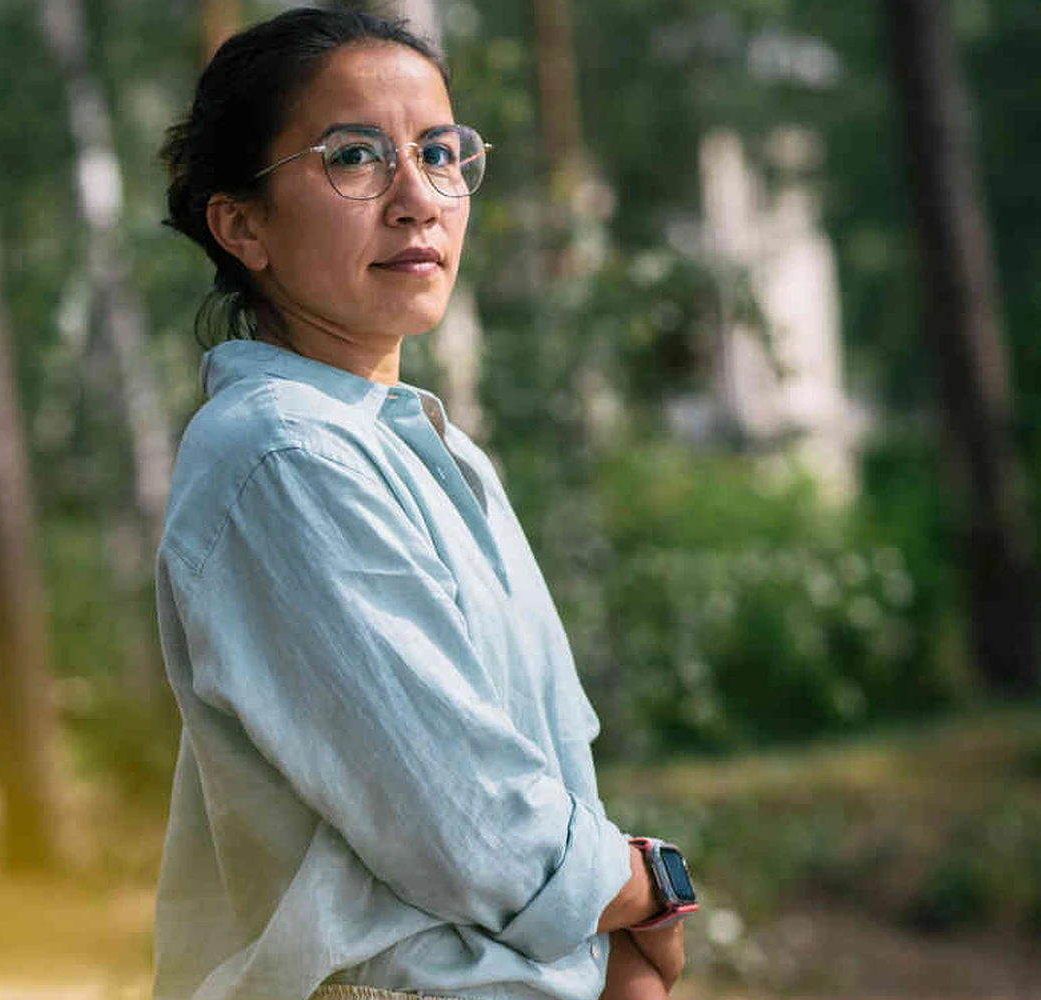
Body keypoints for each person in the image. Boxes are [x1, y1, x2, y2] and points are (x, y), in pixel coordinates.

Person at [151, 9, 696, 1000]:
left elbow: (538, 780)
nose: (417, 201)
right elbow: (472, 822)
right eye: (353, 157)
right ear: (242, 226)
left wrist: (615, 948)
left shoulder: (426, 448)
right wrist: (647, 886)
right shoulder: (283, 453)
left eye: (439, 154)